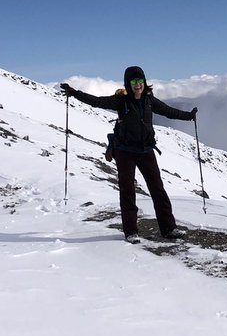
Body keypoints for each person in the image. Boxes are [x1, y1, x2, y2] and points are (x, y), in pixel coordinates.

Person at [61, 66, 197, 244]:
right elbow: (96, 101)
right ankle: (131, 232)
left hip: (146, 150)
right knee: (127, 191)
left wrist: (189, 116)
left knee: (158, 190)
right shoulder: (121, 101)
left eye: (140, 81)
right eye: (134, 82)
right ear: (128, 83)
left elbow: (169, 111)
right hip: (125, 152)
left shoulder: (150, 100)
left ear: (144, 82)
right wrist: (75, 93)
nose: (138, 85)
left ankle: (169, 229)